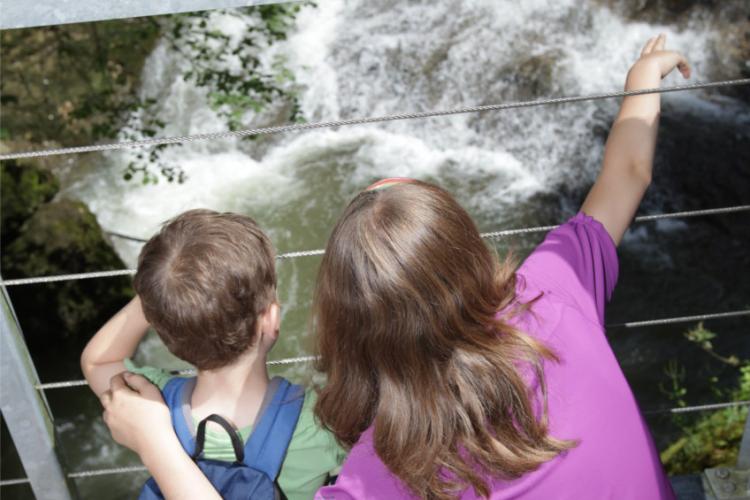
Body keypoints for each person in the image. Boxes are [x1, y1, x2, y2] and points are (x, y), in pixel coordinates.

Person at [99, 34, 689, 499]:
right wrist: (640, 82)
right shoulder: (556, 292)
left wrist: (156, 443)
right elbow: (626, 176)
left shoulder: (392, 462)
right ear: (465, 248)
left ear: (351, 322)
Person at [81, 209, 344, 500]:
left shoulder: (152, 403)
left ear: (161, 328)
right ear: (270, 319)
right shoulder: (322, 422)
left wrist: (161, 289)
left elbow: (98, 361)